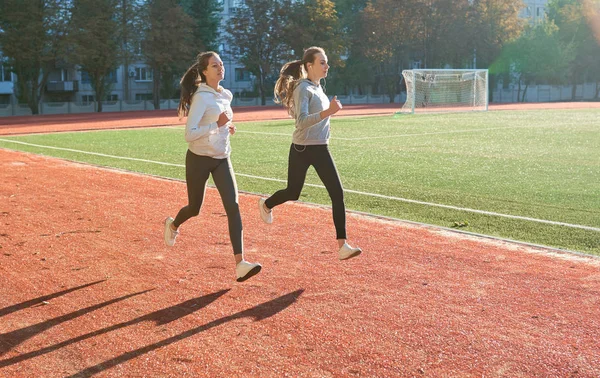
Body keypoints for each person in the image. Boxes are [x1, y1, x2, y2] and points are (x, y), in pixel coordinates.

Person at [164, 51, 262, 282]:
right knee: (195, 208)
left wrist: (227, 127)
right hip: (198, 158)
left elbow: (222, 121)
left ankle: (240, 264)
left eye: (221, 64)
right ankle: (174, 223)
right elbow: (189, 134)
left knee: (233, 206)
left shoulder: (225, 95)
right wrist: (216, 124)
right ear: (205, 72)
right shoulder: (201, 97)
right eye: (214, 66)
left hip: (221, 158)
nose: (220, 68)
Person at [258, 46, 362, 261]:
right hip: (302, 149)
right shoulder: (302, 89)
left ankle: (343, 245)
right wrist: (329, 112)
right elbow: (301, 122)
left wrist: (328, 114)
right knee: (293, 192)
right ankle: (267, 204)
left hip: (321, 148)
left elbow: (319, 119)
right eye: (322, 62)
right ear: (309, 66)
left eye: (326, 62)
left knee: (337, 193)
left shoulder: (318, 88)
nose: (327, 66)